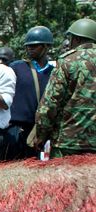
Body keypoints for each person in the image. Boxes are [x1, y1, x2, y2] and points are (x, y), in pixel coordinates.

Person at [30, 18, 96, 156]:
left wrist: (41, 135)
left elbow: (49, 104)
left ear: (76, 39)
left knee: (64, 178)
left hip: (68, 142)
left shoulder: (68, 61)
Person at [6, 26, 54, 159]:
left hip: (42, 130)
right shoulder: (16, 67)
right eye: (28, 46)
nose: (30, 48)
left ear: (46, 47)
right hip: (17, 130)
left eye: (35, 45)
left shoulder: (55, 71)